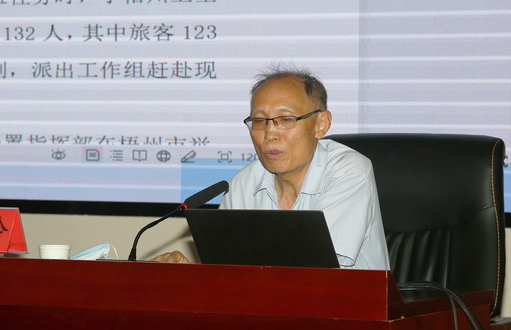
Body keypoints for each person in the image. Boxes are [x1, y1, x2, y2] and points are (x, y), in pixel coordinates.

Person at [154, 66, 390, 270]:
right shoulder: (243, 184)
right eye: (259, 121)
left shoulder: (348, 171)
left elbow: (317, 267)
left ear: (321, 124)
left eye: (286, 120)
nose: (269, 134)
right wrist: (191, 274)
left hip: (352, 306)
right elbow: (232, 272)